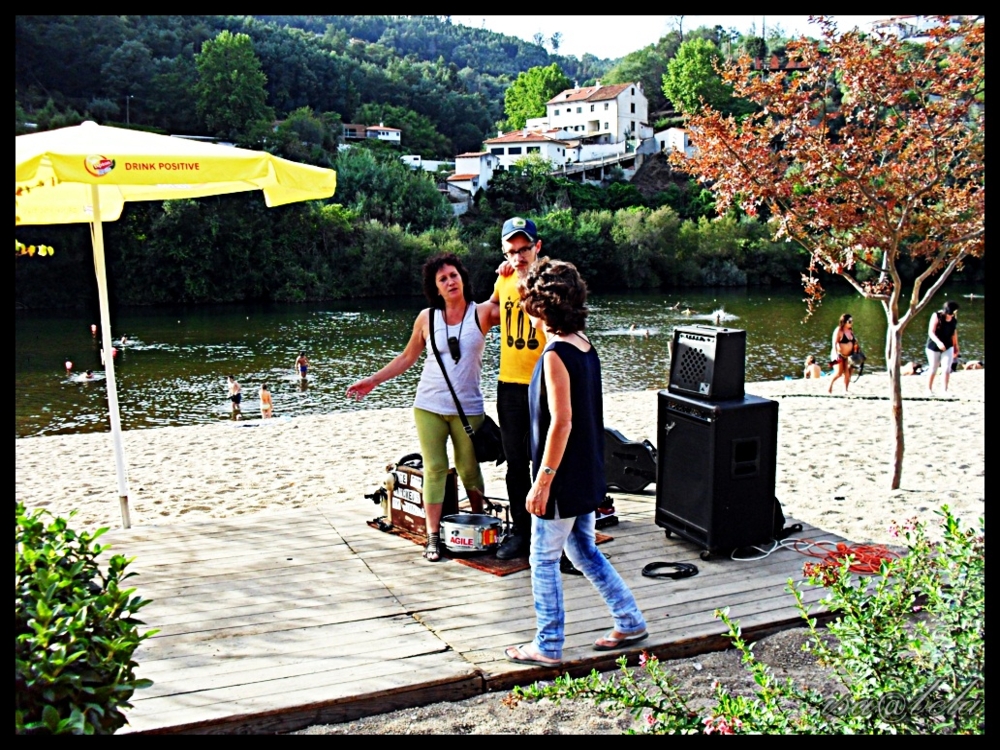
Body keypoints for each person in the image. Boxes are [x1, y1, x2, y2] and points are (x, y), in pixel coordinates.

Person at [504, 258, 646, 667]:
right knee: (583, 550)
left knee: (543, 559)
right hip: (586, 471)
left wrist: (542, 481)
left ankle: (548, 644)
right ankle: (629, 620)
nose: (526, 310)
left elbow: (561, 423)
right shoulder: (584, 344)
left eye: (528, 302)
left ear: (541, 307)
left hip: (563, 477)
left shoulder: (555, 355)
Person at [346, 253, 499, 562]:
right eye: (442, 279)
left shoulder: (482, 313)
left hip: (468, 409)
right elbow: (407, 357)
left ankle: (481, 524)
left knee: (469, 468)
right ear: (435, 287)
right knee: (435, 468)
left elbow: (510, 300)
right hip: (428, 405)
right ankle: (432, 537)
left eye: (453, 275)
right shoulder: (427, 318)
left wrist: (508, 272)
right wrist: (372, 381)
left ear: (462, 278)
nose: (450, 281)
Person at [490, 217, 547, 561]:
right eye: (512, 251)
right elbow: (491, 309)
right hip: (509, 384)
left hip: (544, 382)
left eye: (524, 249)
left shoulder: (548, 279)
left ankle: (552, 534)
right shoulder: (504, 278)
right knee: (515, 463)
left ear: (537, 247)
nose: (519, 256)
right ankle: (522, 532)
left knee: (548, 461)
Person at [927, 301, 960, 394]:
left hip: (948, 346)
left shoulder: (954, 319)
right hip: (934, 346)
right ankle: (928, 390)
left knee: (946, 368)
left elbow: (954, 333)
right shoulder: (936, 315)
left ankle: (944, 390)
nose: (952, 315)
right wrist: (938, 342)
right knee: (933, 368)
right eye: (952, 313)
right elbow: (931, 332)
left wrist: (956, 346)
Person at [828, 313, 858, 394]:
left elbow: (854, 342)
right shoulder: (839, 330)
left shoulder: (850, 331)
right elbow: (834, 343)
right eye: (849, 321)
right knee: (839, 373)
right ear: (844, 321)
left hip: (848, 356)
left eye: (852, 321)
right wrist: (836, 354)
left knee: (848, 373)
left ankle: (845, 390)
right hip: (839, 354)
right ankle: (830, 386)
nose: (851, 323)